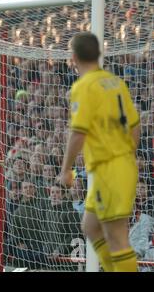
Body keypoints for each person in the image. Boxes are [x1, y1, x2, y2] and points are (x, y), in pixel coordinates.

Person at [58, 32, 141, 272]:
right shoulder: (115, 82)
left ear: (73, 58)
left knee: (116, 236)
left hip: (109, 169)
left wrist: (66, 170)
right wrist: (127, 154)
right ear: (99, 53)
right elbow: (135, 126)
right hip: (116, 166)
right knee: (90, 227)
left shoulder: (83, 87)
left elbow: (77, 133)